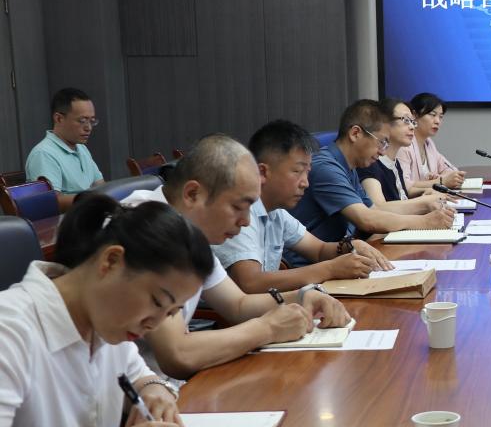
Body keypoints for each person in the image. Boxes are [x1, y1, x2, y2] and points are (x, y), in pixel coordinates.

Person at [0, 194, 213, 427]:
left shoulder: (106, 319)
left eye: (171, 313)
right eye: (157, 302)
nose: (154, 324)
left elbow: (142, 376)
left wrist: (155, 391)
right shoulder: (10, 328)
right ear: (111, 261)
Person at [121, 134, 351, 380]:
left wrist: (303, 296)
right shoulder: (146, 225)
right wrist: (267, 328)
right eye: (237, 207)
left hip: (162, 386)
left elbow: (237, 304)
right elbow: (178, 354)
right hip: (140, 392)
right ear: (193, 194)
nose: (246, 221)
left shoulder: (190, 226)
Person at [212, 120, 393, 294]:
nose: (305, 183)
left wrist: (350, 246)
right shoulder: (242, 214)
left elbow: (319, 250)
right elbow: (251, 282)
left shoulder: (278, 213)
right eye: (297, 171)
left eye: (307, 172)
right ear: (263, 172)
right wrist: (330, 269)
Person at [287, 100, 455, 259]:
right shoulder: (326, 167)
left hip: (341, 256)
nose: (383, 152)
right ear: (355, 134)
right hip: (312, 265)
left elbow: (374, 210)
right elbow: (366, 219)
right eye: (381, 142)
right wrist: (424, 222)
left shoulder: (349, 167)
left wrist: (424, 206)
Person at [358, 99, 454, 215]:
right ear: (384, 122)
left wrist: (426, 192)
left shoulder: (394, 162)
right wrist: (423, 202)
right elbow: (377, 208)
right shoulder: (371, 163)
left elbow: (401, 196)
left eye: (413, 122)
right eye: (406, 120)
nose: (412, 127)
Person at [24, 88, 105, 211]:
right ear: (59, 119)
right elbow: (52, 202)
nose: (88, 128)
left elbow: (100, 186)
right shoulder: (44, 154)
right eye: (82, 121)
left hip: (88, 213)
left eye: (91, 121)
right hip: (66, 220)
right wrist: (95, 199)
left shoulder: (81, 148)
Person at [397, 92, 466, 193]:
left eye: (441, 116)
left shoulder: (429, 144)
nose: (437, 121)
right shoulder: (403, 146)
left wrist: (438, 178)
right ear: (414, 115)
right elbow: (404, 185)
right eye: (432, 115)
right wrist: (440, 181)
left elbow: (451, 170)